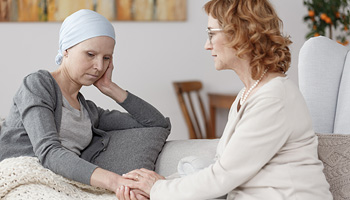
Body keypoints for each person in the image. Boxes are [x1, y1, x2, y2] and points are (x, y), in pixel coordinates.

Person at [116, 0, 333, 199]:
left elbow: (223, 176)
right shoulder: (249, 93)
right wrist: (163, 185)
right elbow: (222, 167)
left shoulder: (274, 98)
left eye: (211, 34)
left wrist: (156, 189)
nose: (206, 45)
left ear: (239, 34)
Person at [0, 9, 170, 199]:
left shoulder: (89, 111)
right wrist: (117, 182)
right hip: (24, 175)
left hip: (66, 182)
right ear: (66, 49)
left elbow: (157, 123)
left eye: (106, 58)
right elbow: (49, 152)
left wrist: (110, 87)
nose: (99, 66)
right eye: (90, 54)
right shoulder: (38, 84)